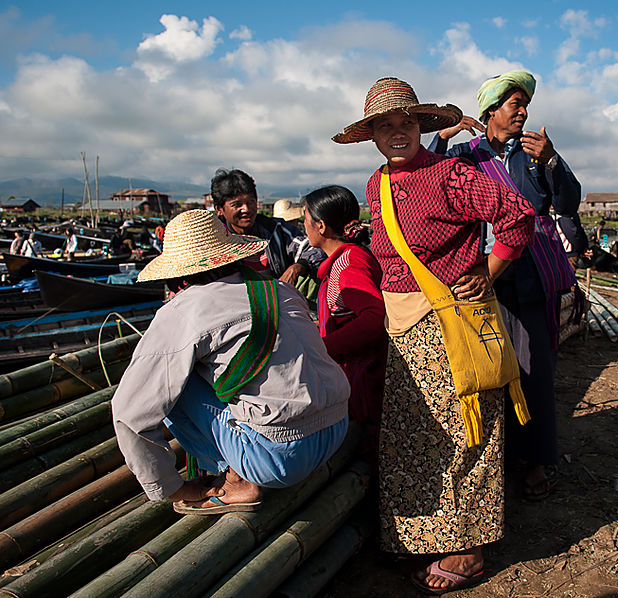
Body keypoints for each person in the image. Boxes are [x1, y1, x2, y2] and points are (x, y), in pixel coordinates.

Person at [333, 77, 535, 594]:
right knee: (415, 437)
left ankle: (467, 548)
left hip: (451, 322)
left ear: (422, 126)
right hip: (403, 330)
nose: (397, 132)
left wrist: (488, 271)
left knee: (468, 433)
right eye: (385, 125)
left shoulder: (450, 174)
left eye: (406, 123)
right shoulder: (376, 184)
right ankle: (422, 538)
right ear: (372, 134)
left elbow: (517, 215)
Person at [111, 209, 350, 513]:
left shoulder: (183, 310)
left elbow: (128, 413)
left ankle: (237, 478)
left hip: (278, 458)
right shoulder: (277, 289)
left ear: (177, 272)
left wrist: (173, 488)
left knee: (168, 385)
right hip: (337, 427)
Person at [430, 69, 580, 501]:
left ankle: (538, 458)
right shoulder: (465, 156)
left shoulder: (534, 155)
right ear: (491, 110)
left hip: (529, 277)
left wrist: (552, 161)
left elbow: (567, 201)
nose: (523, 112)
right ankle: (501, 454)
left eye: (524, 105)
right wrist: (442, 136)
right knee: (491, 370)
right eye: (515, 104)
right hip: (483, 277)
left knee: (533, 369)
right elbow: (430, 181)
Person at [303, 185, 387, 457]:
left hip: (362, 378)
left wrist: (322, 346)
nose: (303, 226)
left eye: (305, 219)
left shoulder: (347, 266)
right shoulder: (348, 259)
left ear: (321, 226)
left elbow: (373, 318)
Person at [210, 169, 325, 288]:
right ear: (219, 209)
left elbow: (315, 248)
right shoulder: (213, 239)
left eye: (250, 202)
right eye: (237, 205)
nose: (246, 209)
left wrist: (297, 267)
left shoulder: (276, 229)